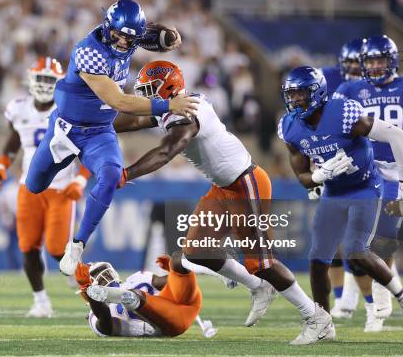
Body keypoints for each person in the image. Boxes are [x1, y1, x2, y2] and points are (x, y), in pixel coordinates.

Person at [113, 60, 326, 345]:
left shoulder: (187, 112)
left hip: (246, 183)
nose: (147, 98)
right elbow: (135, 120)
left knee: (261, 262)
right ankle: (258, 287)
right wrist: (92, 125)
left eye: (151, 91)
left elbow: (166, 152)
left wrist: (127, 173)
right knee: (196, 252)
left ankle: (316, 317)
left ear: (170, 87)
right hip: (223, 188)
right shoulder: (172, 108)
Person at [23, 0, 198, 276]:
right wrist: (168, 105)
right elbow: (118, 101)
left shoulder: (130, 35)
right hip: (65, 130)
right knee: (34, 185)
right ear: (107, 27)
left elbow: (154, 34)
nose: (122, 41)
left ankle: (77, 244)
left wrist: (168, 36)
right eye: (117, 34)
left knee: (111, 175)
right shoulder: (88, 51)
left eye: (130, 37)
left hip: (100, 132)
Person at [278, 65, 403, 336]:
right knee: (318, 258)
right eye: (290, 94)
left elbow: (395, 135)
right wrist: (319, 176)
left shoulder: (343, 113)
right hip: (334, 191)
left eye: (300, 94)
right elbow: (303, 176)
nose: (294, 100)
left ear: (316, 93)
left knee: (356, 250)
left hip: (365, 185)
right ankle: (323, 323)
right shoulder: (288, 126)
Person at [0, 57, 91, 317]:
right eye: (41, 79)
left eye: (50, 80)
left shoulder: (70, 108)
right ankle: (41, 301)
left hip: (61, 188)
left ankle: (91, 290)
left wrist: (80, 179)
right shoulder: (18, 108)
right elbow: (14, 140)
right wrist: (1, 164)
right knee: (28, 247)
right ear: (31, 80)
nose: (45, 85)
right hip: (29, 188)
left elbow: (92, 150)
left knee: (59, 249)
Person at [333, 35, 403, 330]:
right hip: (364, 173)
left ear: (393, 60)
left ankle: (384, 304)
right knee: (358, 244)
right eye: (371, 61)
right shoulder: (351, 89)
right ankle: (380, 304)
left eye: (381, 59)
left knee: (382, 242)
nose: (376, 65)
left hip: (399, 172)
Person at [320, 38, 367, 322]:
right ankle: (343, 299)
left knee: (363, 240)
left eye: (357, 63)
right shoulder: (329, 82)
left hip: (365, 165)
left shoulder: (377, 91)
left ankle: (366, 299)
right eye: (349, 62)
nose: (353, 68)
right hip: (334, 163)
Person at [76, 251, 203, 338]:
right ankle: (125, 297)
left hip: (182, 306)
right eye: (101, 277)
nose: (107, 278)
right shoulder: (95, 315)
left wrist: (174, 271)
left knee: (178, 259)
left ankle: (211, 258)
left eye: (107, 273)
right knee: (135, 296)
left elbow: (167, 282)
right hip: (165, 325)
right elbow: (107, 325)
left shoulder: (135, 279)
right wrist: (93, 297)